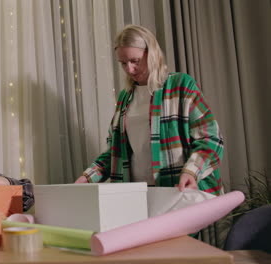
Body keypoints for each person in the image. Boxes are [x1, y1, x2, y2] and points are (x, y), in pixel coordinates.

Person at [75, 25, 224, 195]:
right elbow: (115, 153)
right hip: (138, 196)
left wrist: (191, 171)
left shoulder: (180, 85)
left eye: (135, 61)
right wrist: (87, 178)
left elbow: (211, 139)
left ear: (151, 53)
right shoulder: (125, 98)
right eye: (123, 63)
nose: (129, 69)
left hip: (179, 191)